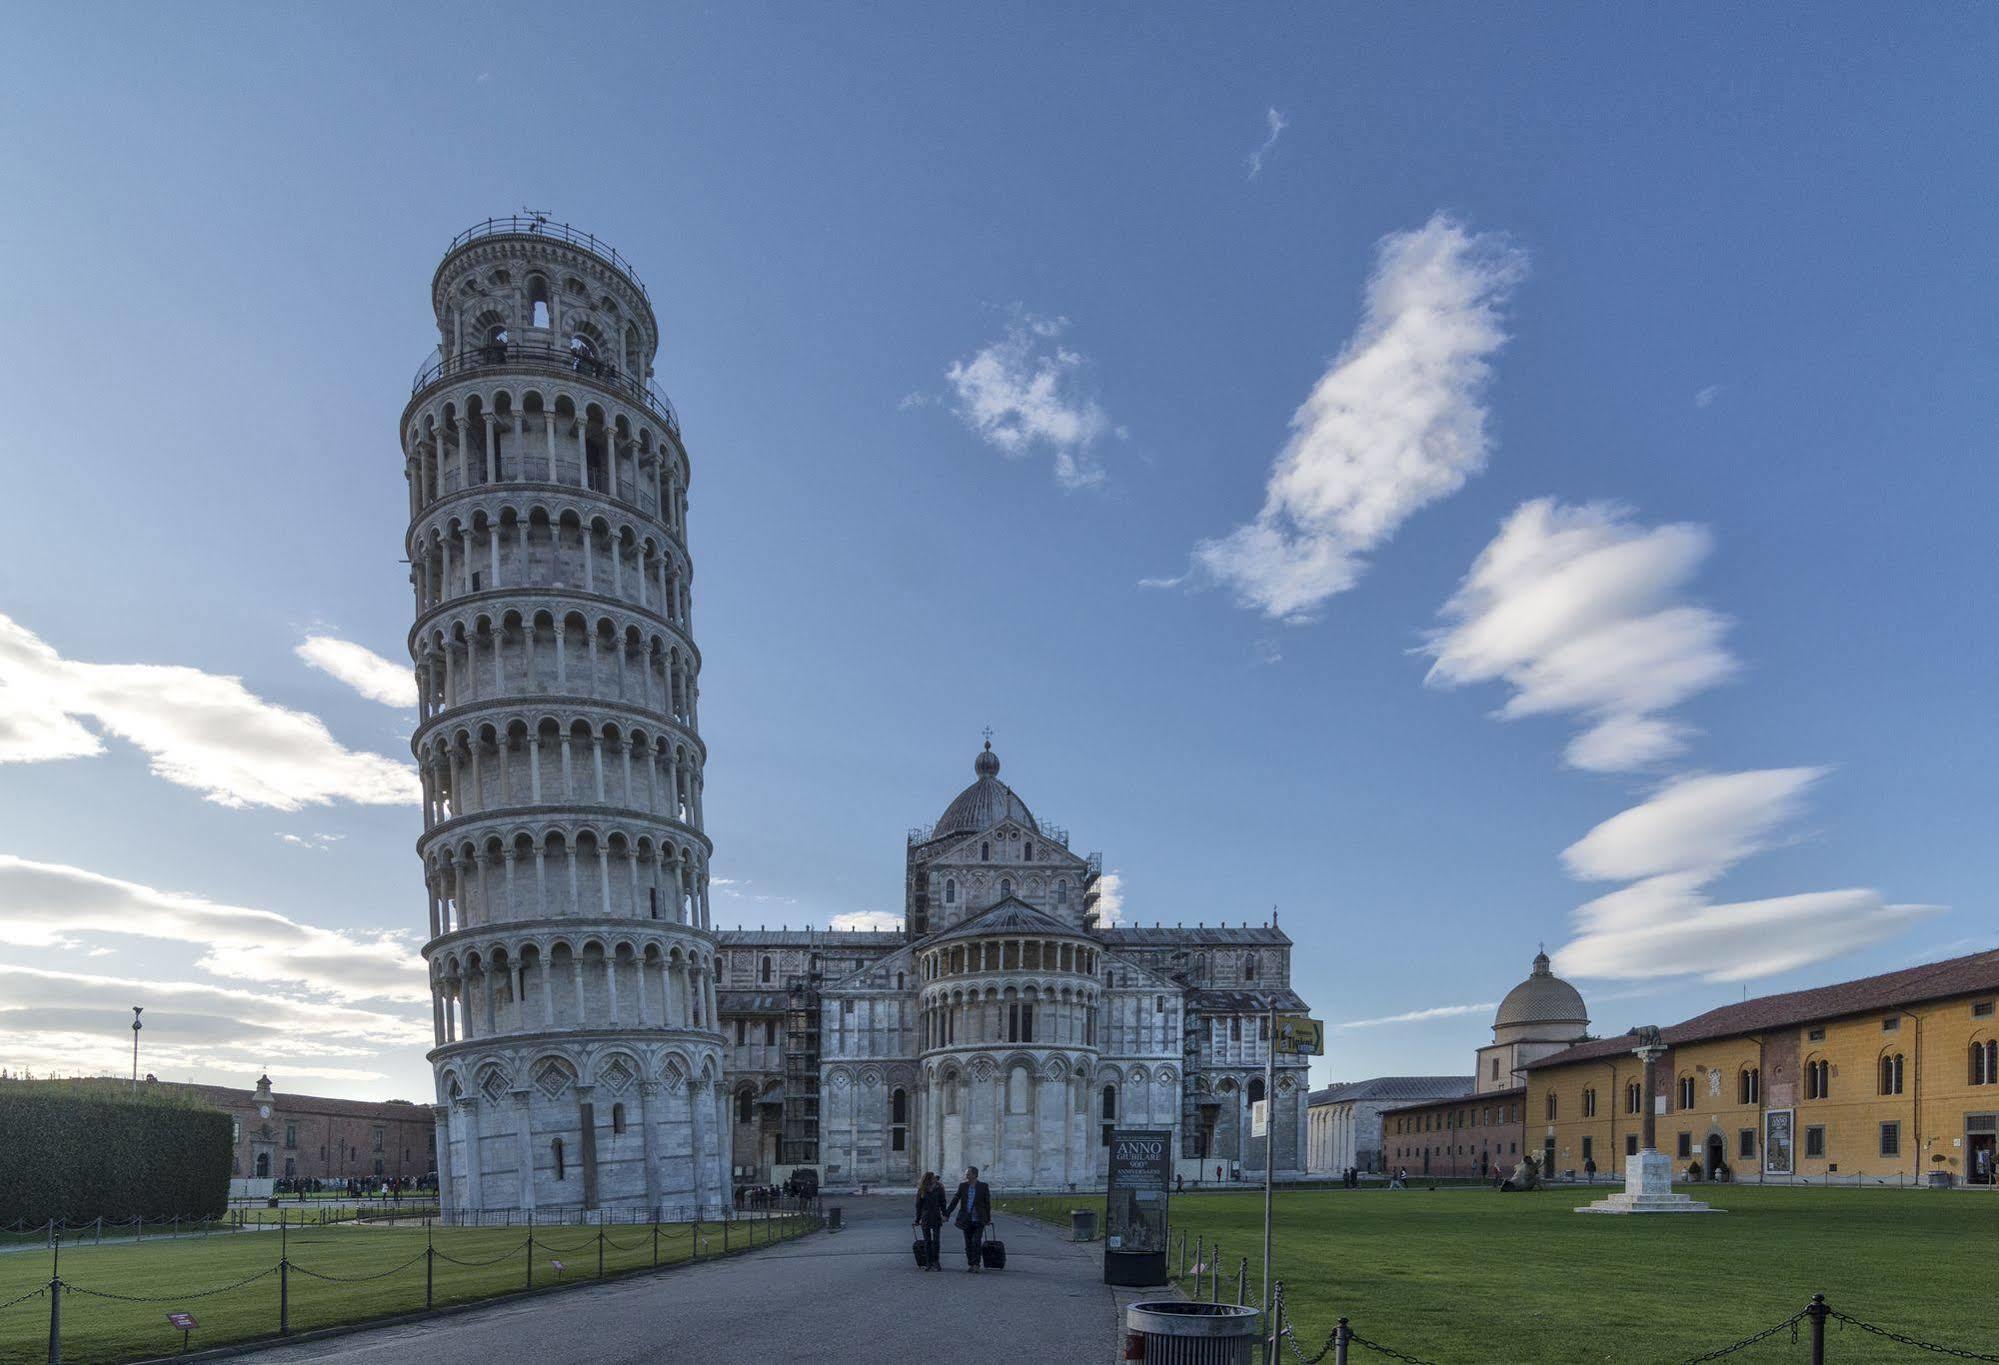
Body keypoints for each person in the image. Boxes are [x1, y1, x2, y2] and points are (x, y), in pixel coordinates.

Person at [943, 1164, 992, 1273]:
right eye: (966, 1173)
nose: (966, 1175)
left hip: (979, 1219)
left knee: (976, 1241)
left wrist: (988, 1218)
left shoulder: (983, 1186)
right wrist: (947, 1214)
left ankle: (976, 1264)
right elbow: (955, 1201)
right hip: (967, 1219)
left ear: (974, 1175)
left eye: (968, 1173)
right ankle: (971, 1263)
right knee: (968, 1243)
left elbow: (987, 1203)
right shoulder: (963, 1186)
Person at [912, 1171, 946, 1271]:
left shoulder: (939, 1188)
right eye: (933, 1177)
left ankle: (936, 1262)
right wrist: (917, 1219)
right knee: (927, 1241)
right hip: (925, 1217)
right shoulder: (922, 1189)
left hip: (936, 1216)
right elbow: (918, 1206)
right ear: (928, 1179)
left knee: (936, 1241)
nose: (935, 1179)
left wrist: (945, 1214)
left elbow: (942, 1202)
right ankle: (928, 1262)